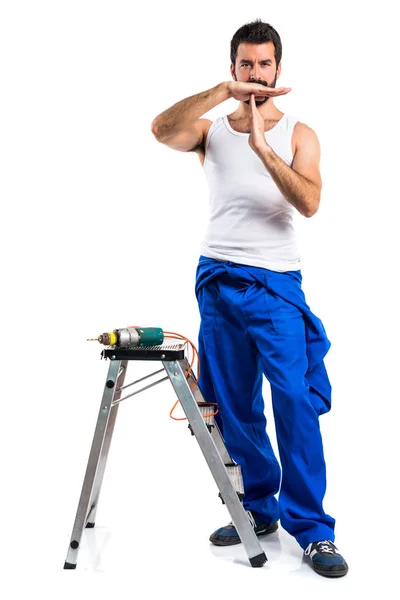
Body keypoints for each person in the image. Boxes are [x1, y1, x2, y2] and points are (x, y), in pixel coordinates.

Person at [151, 19, 348, 578]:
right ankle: (258, 508)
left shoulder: (300, 134)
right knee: (233, 406)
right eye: (245, 65)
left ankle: (312, 529)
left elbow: (309, 203)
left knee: (294, 401)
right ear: (234, 68)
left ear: (278, 70)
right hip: (217, 276)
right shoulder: (210, 131)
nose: (256, 73)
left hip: (276, 283)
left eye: (264, 65)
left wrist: (263, 147)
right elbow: (161, 129)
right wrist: (221, 98)